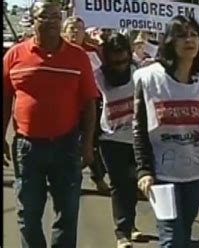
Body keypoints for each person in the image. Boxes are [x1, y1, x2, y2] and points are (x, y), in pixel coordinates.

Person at [2, 1, 98, 247]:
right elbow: (4, 100)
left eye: (57, 16)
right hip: (27, 148)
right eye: (45, 16)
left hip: (66, 146)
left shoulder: (78, 57)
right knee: (28, 215)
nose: (53, 20)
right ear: (33, 20)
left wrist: (87, 145)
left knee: (67, 214)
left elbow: (89, 104)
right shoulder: (14, 55)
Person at [133, 16, 199, 248]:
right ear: (170, 42)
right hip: (162, 173)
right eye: (182, 35)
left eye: (194, 35)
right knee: (171, 239)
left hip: (197, 169)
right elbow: (140, 129)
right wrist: (144, 170)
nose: (189, 40)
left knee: (184, 232)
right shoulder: (149, 78)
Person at [95, 33, 143, 248]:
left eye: (124, 60)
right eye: (115, 62)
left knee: (133, 183)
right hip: (110, 138)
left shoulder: (139, 72)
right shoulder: (98, 77)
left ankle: (131, 225)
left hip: (137, 138)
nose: (121, 66)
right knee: (119, 184)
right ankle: (121, 232)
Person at [62, 15, 109, 193]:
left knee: (92, 142)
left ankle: (97, 177)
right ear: (64, 32)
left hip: (90, 104)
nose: (75, 32)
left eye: (79, 28)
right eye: (71, 28)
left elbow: (102, 77)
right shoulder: (59, 50)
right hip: (65, 105)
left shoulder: (92, 51)